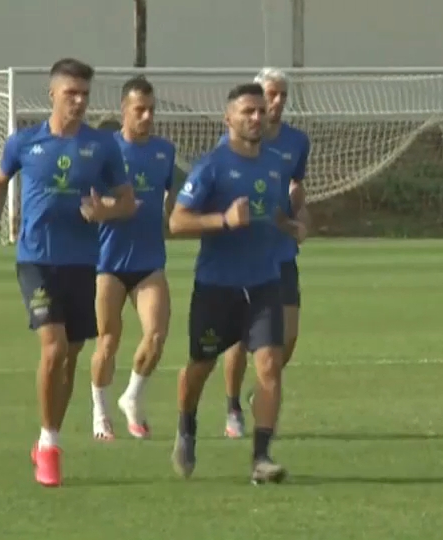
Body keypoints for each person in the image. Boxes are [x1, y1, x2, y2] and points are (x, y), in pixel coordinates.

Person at [0, 58, 137, 487]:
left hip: (83, 263)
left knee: (71, 357)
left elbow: (128, 202)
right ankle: (48, 445)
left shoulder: (102, 147)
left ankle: (52, 436)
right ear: (52, 95)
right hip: (36, 259)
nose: (79, 101)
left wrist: (106, 210)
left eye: (84, 94)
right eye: (71, 94)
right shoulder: (25, 141)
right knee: (54, 348)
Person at [167, 83, 306, 484]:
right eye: (248, 111)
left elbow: (273, 210)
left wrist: (291, 225)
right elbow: (177, 221)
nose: (257, 118)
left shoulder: (276, 164)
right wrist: (222, 221)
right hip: (217, 287)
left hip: (264, 282)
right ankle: (187, 426)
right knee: (200, 366)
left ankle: (261, 458)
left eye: (261, 111)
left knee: (268, 366)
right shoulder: (211, 166)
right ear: (229, 118)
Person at [220, 68, 312, 439]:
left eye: (281, 96)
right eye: (270, 95)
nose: (275, 103)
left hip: (281, 253)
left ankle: (261, 390)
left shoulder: (296, 141)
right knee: (241, 339)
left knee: (286, 338)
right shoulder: (236, 141)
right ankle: (232, 407)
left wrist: (299, 217)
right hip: (243, 255)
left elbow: (296, 187)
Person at [89, 76, 175, 441]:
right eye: (139, 109)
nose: (146, 116)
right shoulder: (103, 150)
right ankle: (100, 410)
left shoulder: (164, 151)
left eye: (151, 109)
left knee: (155, 336)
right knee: (108, 341)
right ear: (124, 110)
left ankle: (132, 398)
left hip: (149, 259)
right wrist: (116, 207)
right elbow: (88, 205)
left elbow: (171, 199)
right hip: (107, 261)